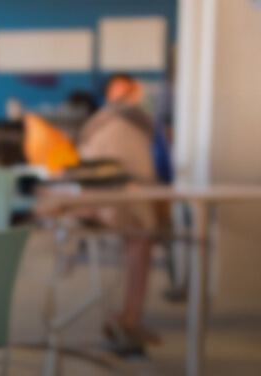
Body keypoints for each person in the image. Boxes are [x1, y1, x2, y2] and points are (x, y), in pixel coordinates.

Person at [76, 74, 162, 356]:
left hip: (95, 200)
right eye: (126, 90)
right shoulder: (125, 120)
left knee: (139, 238)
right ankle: (128, 319)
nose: (131, 95)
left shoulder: (104, 121)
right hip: (116, 201)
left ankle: (127, 319)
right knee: (140, 237)